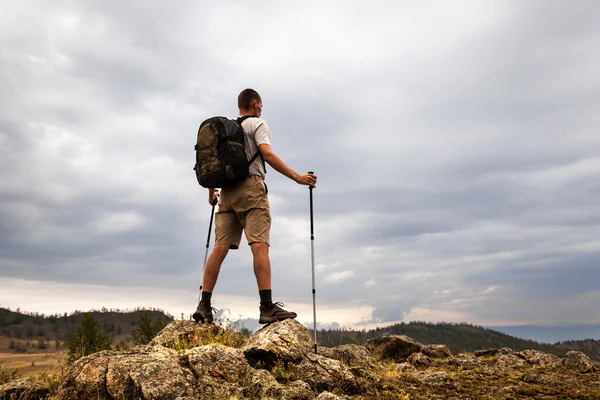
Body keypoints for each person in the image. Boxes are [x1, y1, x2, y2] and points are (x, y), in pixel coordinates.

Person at [193, 88, 318, 324]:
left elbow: (212, 164)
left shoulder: (227, 130)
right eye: (260, 104)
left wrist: (212, 193)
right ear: (255, 103)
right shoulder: (257, 125)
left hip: (227, 193)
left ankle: (204, 305)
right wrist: (297, 178)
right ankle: (267, 307)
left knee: (219, 248)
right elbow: (267, 155)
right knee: (259, 246)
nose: (261, 108)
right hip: (251, 189)